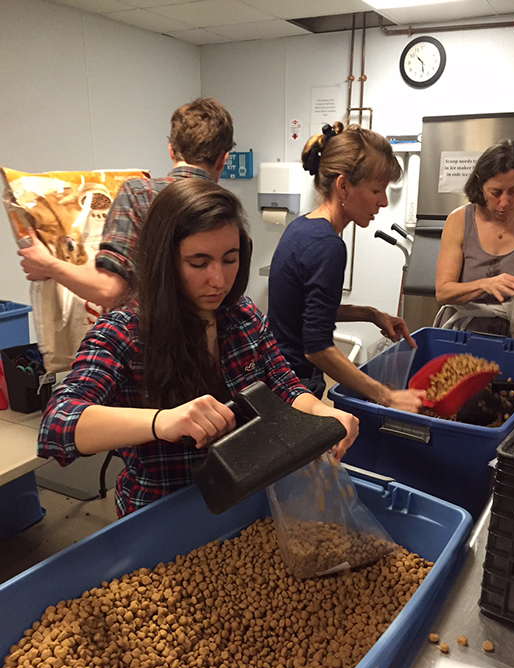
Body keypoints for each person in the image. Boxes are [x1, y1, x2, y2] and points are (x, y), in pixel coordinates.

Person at [37, 179, 359, 518]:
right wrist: (163, 421)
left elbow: (286, 387)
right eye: (198, 263)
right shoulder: (125, 332)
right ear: (166, 260)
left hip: (244, 497)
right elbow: (58, 425)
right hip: (161, 512)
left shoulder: (243, 317)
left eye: (230, 259)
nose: (218, 280)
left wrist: (326, 414)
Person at [17, 97, 235, 310]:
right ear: (222, 159)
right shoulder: (230, 211)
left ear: (171, 150)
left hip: (153, 342)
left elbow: (111, 291)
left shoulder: (140, 194)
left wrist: (47, 264)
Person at [268, 122, 425, 412]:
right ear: (343, 186)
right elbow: (316, 348)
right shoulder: (327, 245)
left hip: (275, 375)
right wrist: (386, 396)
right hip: (294, 383)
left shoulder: (301, 227)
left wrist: (370, 314)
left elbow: (307, 310)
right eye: (377, 190)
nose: (383, 201)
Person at [435, 139, 514, 336]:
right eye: (496, 192)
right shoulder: (458, 220)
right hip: (464, 331)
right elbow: (443, 292)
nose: (504, 202)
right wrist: (485, 284)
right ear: (480, 184)